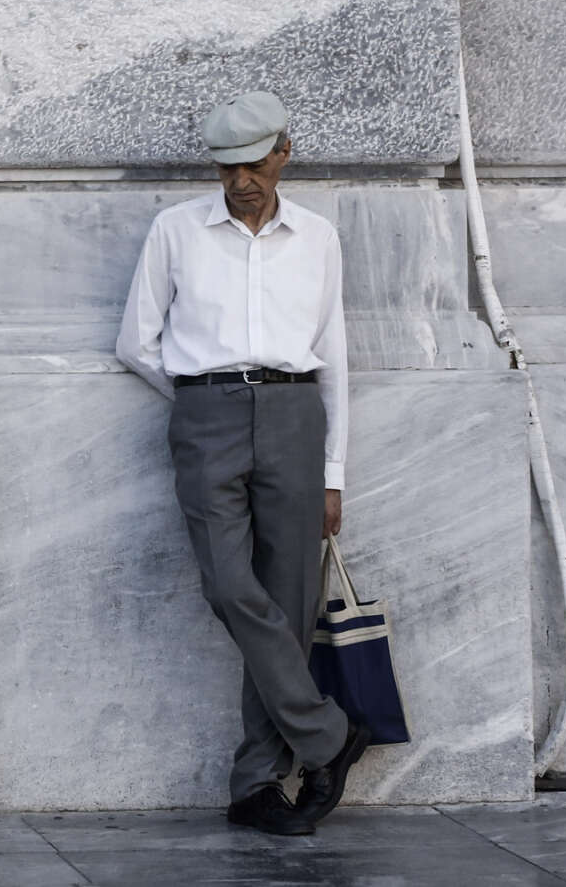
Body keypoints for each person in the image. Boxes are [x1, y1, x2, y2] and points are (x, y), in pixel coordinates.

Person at [115, 90, 368, 837]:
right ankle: (329, 734)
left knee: (287, 605)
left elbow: (338, 359)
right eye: (227, 168)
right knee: (230, 585)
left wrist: (334, 471)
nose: (239, 182)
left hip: (296, 416)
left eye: (254, 164)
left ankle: (257, 781)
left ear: (284, 152)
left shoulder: (317, 236)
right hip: (208, 415)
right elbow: (137, 340)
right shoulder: (176, 230)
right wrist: (206, 397)